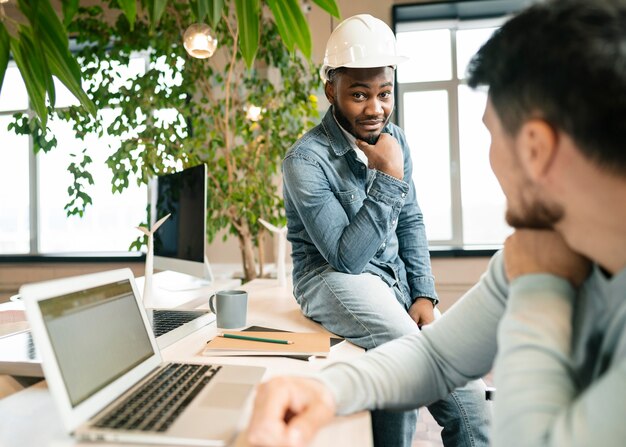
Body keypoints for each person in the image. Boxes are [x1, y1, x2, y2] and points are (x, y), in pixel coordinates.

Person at [247, 0, 626, 446]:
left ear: (536, 148)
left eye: (489, 133)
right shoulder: (536, 254)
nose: (375, 106)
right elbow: (436, 357)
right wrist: (322, 390)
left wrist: (536, 293)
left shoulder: (536, 266)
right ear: (332, 90)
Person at [277, 13, 489, 447]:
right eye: (359, 94)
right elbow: (346, 257)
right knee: (428, 370)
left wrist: (424, 294)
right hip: (331, 278)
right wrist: (390, 176)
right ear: (330, 88)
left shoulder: (396, 139)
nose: (375, 108)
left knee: (444, 381)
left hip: (390, 277)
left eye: (384, 93)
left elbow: (410, 220)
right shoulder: (304, 160)